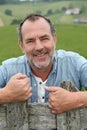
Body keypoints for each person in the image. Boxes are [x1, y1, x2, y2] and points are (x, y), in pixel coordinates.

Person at [0, 13, 87, 115]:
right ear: (21, 45)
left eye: (44, 38)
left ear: (54, 39)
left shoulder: (75, 63)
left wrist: (76, 99)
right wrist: (6, 94)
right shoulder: (8, 69)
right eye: (30, 41)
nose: (39, 47)